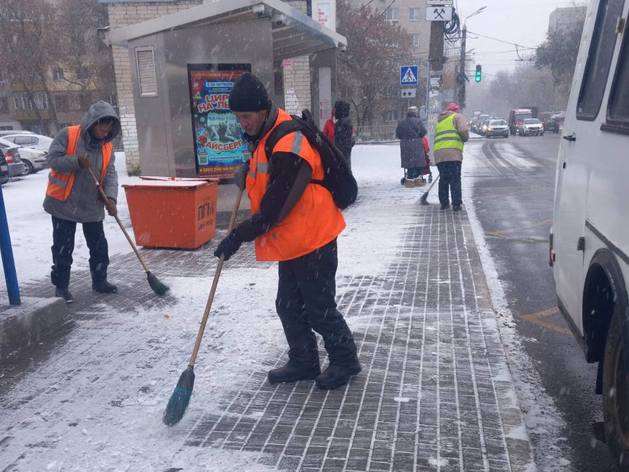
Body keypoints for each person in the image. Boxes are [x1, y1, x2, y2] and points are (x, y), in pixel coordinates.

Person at [214, 72, 361, 390]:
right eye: (238, 117)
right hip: (294, 237)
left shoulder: (289, 142)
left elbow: (275, 208)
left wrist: (237, 236)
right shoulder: (268, 134)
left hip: (313, 233)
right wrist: (247, 171)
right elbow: (266, 175)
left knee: (318, 305)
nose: (243, 124)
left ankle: (345, 359)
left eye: (246, 116)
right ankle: (304, 360)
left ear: (262, 109)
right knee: (289, 304)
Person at [43, 101, 121, 303]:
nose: (104, 134)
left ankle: (100, 280)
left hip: (91, 205)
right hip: (64, 203)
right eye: (102, 129)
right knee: (63, 248)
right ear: (92, 123)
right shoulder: (68, 135)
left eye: (108, 131)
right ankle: (61, 287)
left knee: (99, 246)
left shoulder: (107, 146)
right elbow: (52, 159)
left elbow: (110, 174)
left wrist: (111, 198)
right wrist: (76, 161)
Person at [434, 102, 469, 211]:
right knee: (455, 179)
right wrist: (465, 138)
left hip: (439, 153)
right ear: (457, 110)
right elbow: (463, 130)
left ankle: (444, 203)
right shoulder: (458, 117)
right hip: (453, 153)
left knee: (443, 178)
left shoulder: (440, 120)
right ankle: (456, 203)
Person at [395, 106, 428, 188]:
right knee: (418, 161)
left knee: (409, 161)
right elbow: (423, 132)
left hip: (405, 144)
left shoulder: (401, 121)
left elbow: (398, 134)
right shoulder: (418, 121)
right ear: (416, 113)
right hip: (417, 143)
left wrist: (405, 138)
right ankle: (417, 179)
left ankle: (409, 181)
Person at [333, 100, 355, 168]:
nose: (334, 112)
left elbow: (340, 141)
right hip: (346, 152)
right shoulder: (347, 121)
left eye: (336, 109)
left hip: (342, 154)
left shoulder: (341, 123)